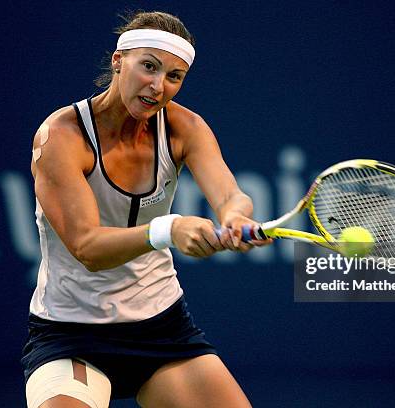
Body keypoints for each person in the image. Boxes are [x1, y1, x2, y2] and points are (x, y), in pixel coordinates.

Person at [21, 10, 270, 408]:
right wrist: (169, 229)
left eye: (174, 76)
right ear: (119, 62)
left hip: (163, 330)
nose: (158, 86)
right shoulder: (62, 136)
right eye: (148, 67)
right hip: (72, 336)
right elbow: (87, 247)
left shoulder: (184, 127)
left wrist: (235, 216)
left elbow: (228, 195)